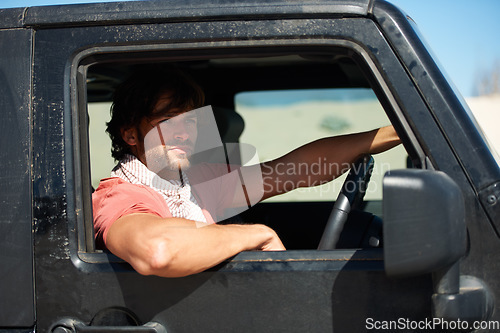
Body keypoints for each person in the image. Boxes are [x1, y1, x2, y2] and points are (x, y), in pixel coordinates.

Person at [92, 68, 401, 278]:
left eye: (190, 121)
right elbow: (157, 251)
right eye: (168, 121)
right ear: (131, 135)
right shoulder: (120, 195)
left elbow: (292, 172)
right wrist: (257, 234)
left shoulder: (196, 181)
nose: (184, 133)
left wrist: (398, 132)